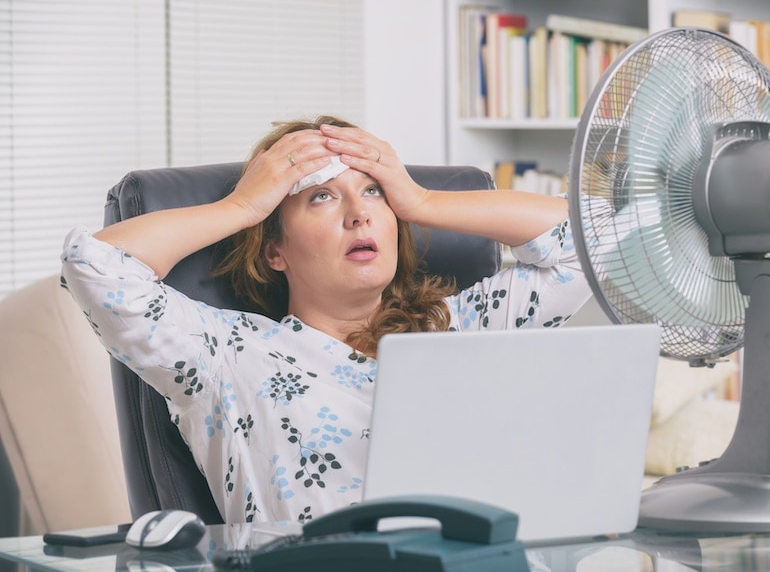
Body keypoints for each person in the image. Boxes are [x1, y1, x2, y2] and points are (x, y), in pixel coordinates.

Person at [60, 115, 592, 524]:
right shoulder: (222, 355)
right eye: (321, 197)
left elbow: (596, 244)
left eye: (372, 192)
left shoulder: (460, 327)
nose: (358, 214)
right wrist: (245, 206)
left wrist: (420, 198)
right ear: (275, 251)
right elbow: (96, 268)